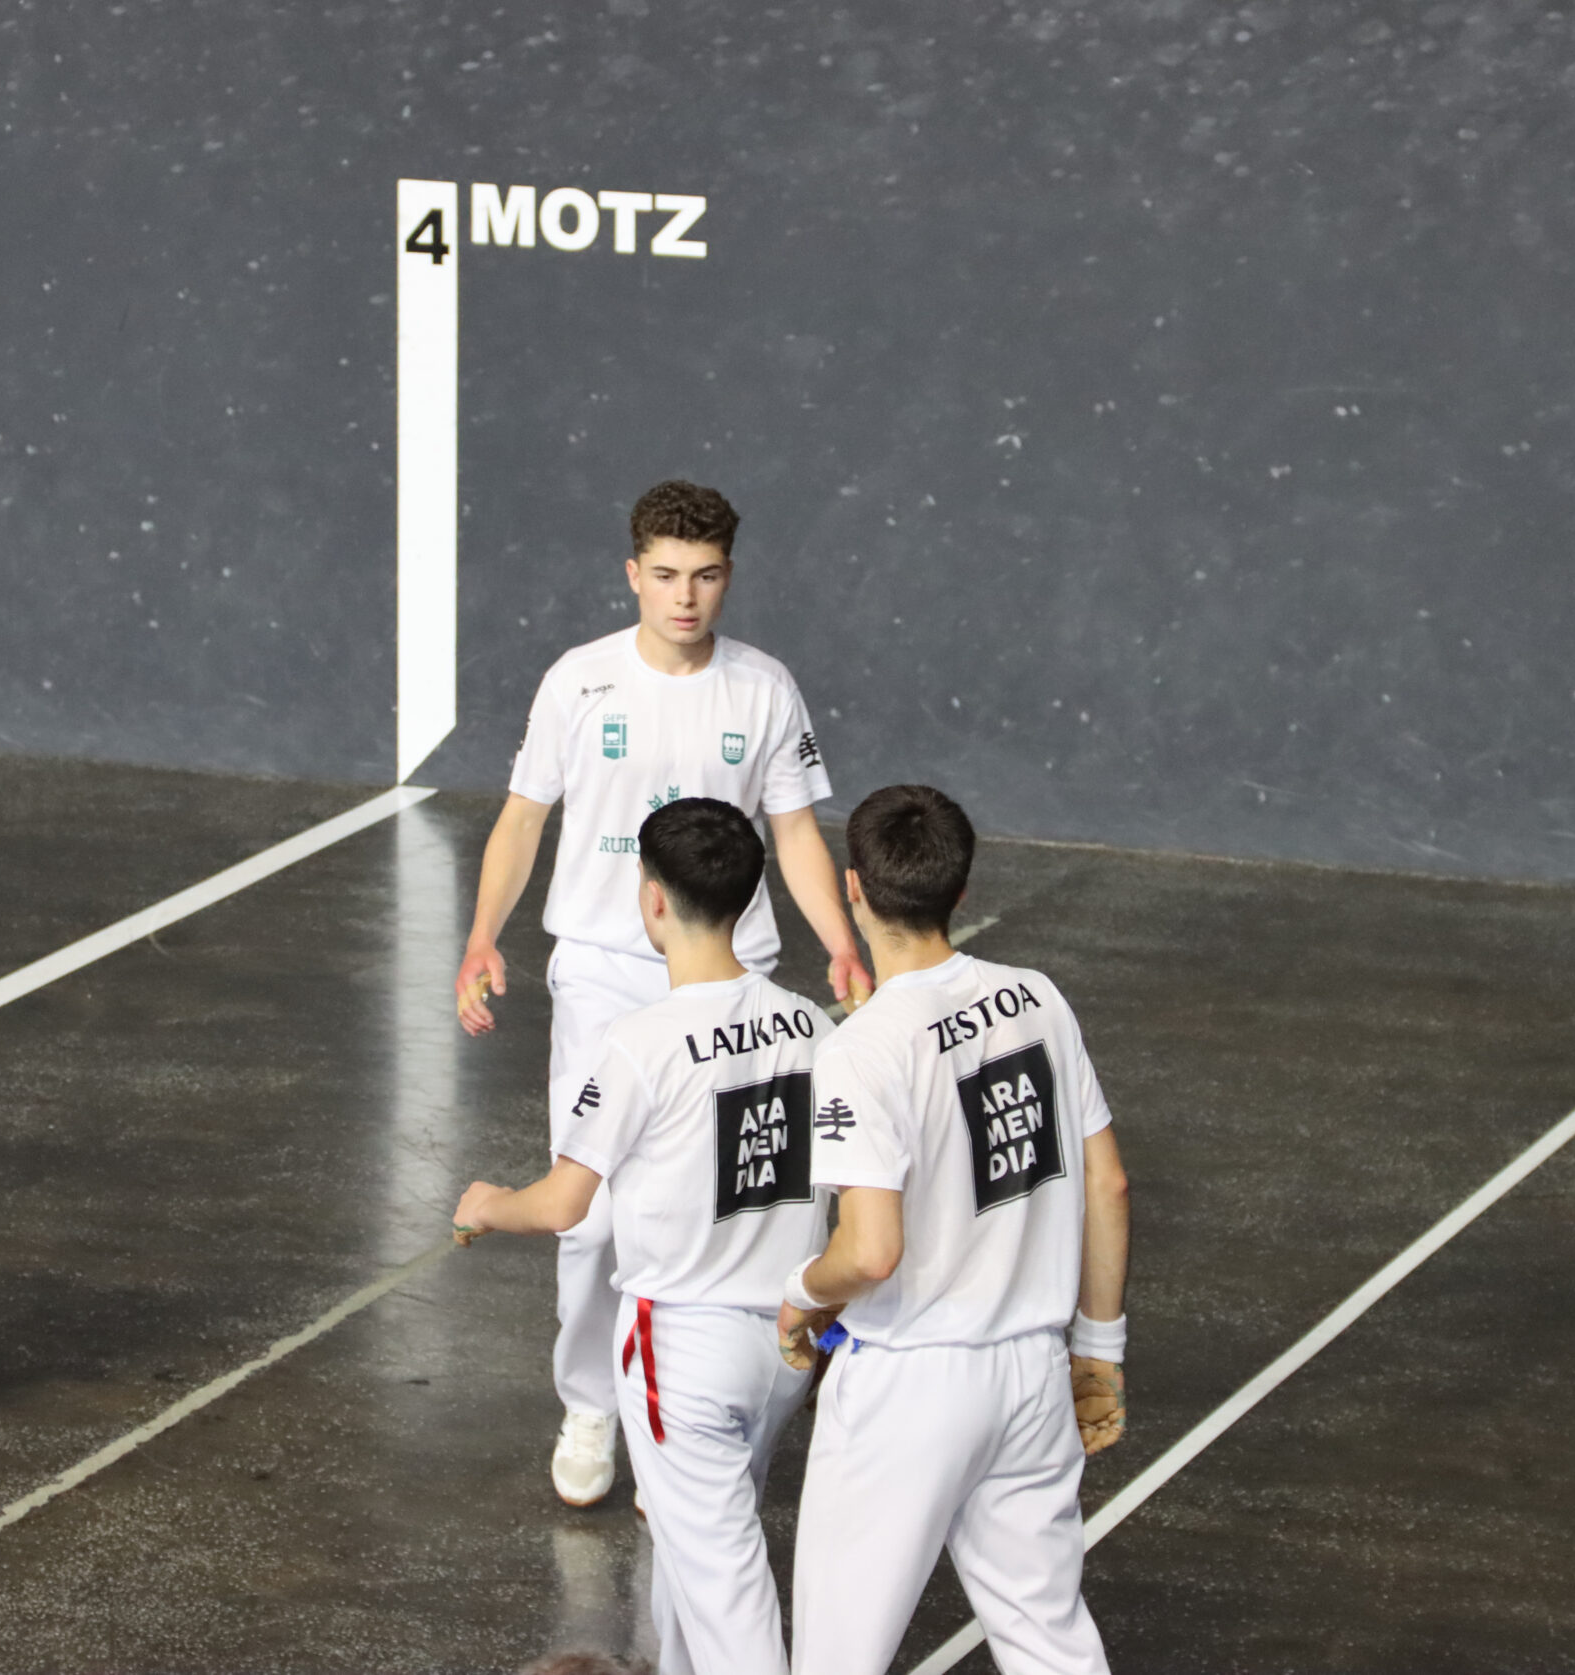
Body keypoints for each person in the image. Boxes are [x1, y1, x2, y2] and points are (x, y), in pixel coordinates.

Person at [454, 480, 871, 1507]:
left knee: (737, 1198)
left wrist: (842, 944)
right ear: (633, 574)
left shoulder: (764, 688)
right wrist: (481, 936)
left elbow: (795, 833)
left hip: (734, 975)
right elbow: (522, 818)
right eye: (668, 575)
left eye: (707, 576)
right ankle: (592, 1403)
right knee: (592, 1214)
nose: (686, 597)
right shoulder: (578, 680)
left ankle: (699, 1415)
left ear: (729, 576)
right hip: (605, 972)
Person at [456, 798, 829, 1675]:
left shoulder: (639, 1044)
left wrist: (487, 1204)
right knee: (692, 1559)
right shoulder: (811, 1024)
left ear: (652, 898)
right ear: (749, 896)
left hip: (685, 1347)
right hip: (784, 1348)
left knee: (726, 1588)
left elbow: (563, 1204)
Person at [781, 785, 1131, 1675]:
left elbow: (869, 1251)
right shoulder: (1038, 999)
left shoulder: (863, 1048)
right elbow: (1108, 1182)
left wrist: (800, 1294)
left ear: (854, 888)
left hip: (909, 1383)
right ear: (960, 889)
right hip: (1033, 1375)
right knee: (1051, 1643)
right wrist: (1098, 1350)